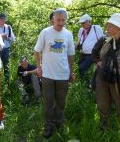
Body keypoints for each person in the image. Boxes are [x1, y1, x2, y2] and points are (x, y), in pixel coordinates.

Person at [34, 8, 75, 139]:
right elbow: (37, 51)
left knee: (61, 102)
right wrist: (39, 67)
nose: (61, 22)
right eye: (58, 20)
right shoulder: (45, 32)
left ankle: (59, 122)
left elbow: (70, 55)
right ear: (53, 19)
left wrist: (71, 71)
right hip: (47, 75)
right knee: (48, 102)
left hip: (63, 75)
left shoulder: (68, 34)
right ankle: (48, 125)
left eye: (63, 20)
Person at [92, 13, 120, 132]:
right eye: (108, 25)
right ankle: (103, 131)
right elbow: (94, 52)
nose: (107, 28)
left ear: (119, 28)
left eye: (110, 26)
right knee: (102, 107)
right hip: (102, 78)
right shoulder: (104, 39)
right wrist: (98, 61)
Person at [76, 14, 104, 86]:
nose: (82, 25)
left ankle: (89, 85)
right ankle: (85, 85)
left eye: (84, 23)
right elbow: (78, 41)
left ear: (89, 21)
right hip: (83, 54)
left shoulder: (96, 28)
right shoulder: (81, 30)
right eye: (81, 23)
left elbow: (102, 40)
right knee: (80, 69)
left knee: (82, 68)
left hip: (93, 54)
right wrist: (73, 49)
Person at [0, 13, 15, 81]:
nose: (2, 20)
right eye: (1, 19)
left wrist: (6, 37)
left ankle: (6, 81)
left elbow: (13, 39)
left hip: (6, 49)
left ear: (5, 20)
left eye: (4, 19)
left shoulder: (8, 27)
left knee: (6, 65)